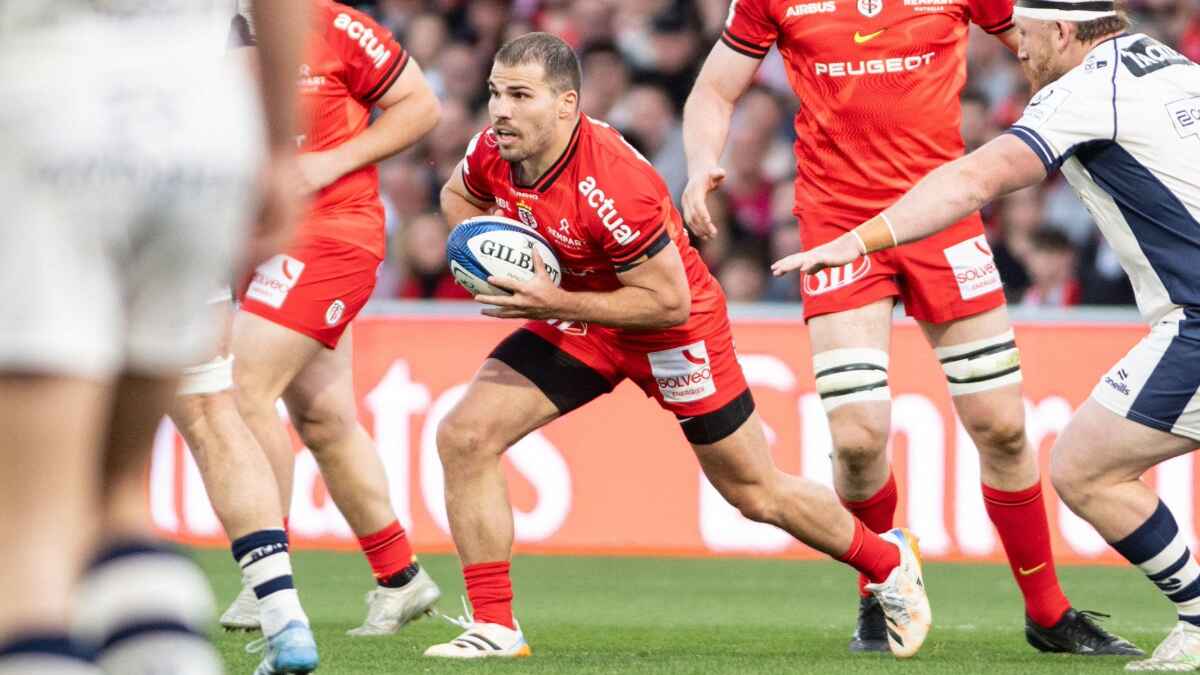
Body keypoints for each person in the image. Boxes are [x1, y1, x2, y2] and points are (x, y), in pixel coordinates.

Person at [427, 31, 930, 661]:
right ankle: (497, 626)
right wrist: (475, 254)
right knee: (464, 437)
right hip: (577, 318)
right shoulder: (493, 150)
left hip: (672, 331)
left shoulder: (614, 185)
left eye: (519, 95)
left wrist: (553, 302)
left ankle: (888, 561)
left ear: (566, 104)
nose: (499, 109)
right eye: (496, 92)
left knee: (755, 493)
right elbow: (456, 197)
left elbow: (670, 302)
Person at [681, 0, 1137, 655]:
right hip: (838, 227)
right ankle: (879, 588)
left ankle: (1048, 612)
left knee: (1004, 427)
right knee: (859, 441)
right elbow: (714, 88)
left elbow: (1046, 46)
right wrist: (701, 164)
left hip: (942, 216)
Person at [771, 1, 1200, 668]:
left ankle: (1194, 618)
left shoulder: (1080, 93)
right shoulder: (1166, 61)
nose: (1016, 54)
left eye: (1023, 38)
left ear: (1060, 33)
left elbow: (974, 179)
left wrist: (857, 240)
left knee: (1084, 468)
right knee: (1078, 458)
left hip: (1195, 321)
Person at [0, 1, 307, 674]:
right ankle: (264, 614)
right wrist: (279, 149)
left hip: (49, 103)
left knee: (34, 527)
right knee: (123, 489)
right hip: (198, 133)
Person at [219, 0, 444, 638]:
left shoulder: (334, 23)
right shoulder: (200, 36)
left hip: (334, 234)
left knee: (243, 388)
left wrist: (329, 161)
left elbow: (421, 105)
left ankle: (266, 580)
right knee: (326, 421)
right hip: (257, 244)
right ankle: (401, 580)